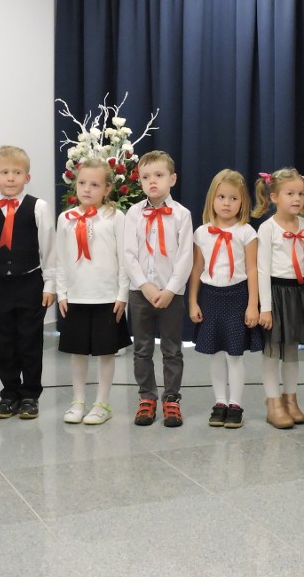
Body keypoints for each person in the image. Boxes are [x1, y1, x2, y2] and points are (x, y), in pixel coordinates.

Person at [0, 146, 56, 420]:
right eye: (5, 172)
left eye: (17, 173)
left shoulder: (38, 207)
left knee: (30, 342)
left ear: (27, 177)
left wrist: (49, 285)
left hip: (30, 284)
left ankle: (31, 395)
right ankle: (9, 394)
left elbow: (49, 248)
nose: (11, 178)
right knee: (4, 343)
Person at [56, 158, 131, 425]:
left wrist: (123, 294)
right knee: (77, 352)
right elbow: (61, 259)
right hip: (76, 295)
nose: (87, 189)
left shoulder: (115, 217)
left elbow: (124, 258)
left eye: (95, 184)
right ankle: (78, 400)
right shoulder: (65, 218)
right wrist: (61, 293)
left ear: (107, 189)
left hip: (107, 297)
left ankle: (102, 403)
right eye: (83, 183)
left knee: (105, 351)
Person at [124, 150, 193, 427]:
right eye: (146, 177)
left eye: (159, 175)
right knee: (141, 349)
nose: (152, 181)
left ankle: (172, 399)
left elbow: (185, 256)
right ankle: (147, 398)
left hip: (171, 294)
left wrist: (170, 290)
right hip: (140, 293)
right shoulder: (133, 213)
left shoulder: (181, 215)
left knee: (172, 349)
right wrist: (145, 286)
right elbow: (128, 254)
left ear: (172, 179)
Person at [189, 169, 262, 428]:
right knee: (215, 353)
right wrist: (193, 301)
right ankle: (220, 402)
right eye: (221, 197)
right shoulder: (201, 233)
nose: (227, 203)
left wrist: (253, 304)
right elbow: (197, 269)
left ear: (242, 202)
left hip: (237, 296)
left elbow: (253, 270)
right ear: (212, 199)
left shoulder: (247, 232)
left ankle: (236, 404)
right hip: (210, 297)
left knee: (235, 355)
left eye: (233, 198)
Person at [253, 167, 304, 428]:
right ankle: (272, 402)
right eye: (290, 193)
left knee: (292, 351)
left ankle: (290, 398)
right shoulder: (267, 229)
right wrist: (265, 308)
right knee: (272, 353)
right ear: (274, 197)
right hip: (276, 294)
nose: (296, 199)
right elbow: (262, 270)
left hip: (298, 293)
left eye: (300, 194)